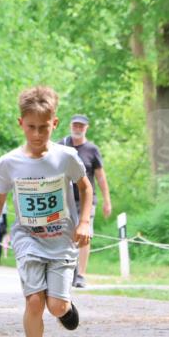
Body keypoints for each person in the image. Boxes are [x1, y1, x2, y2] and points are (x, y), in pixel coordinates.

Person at [0, 86, 92, 337]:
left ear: (54, 124)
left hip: (62, 240)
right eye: (31, 127)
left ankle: (65, 307)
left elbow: (85, 188)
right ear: (21, 124)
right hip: (27, 238)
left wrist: (84, 223)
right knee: (33, 302)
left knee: (56, 306)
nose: (38, 134)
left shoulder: (66, 158)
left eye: (44, 127)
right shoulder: (8, 163)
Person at [59, 114, 112, 288]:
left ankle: (80, 274)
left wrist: (107, 200)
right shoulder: (61, 146)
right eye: (75, 125)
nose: (78, 128)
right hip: (64, 200)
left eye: (81, 126)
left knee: (85, 235)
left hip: (86, 200)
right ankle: (67, 270)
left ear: (86, 128)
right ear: (70, 125)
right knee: (65, 236)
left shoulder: (92, 150)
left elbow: (101, 177)